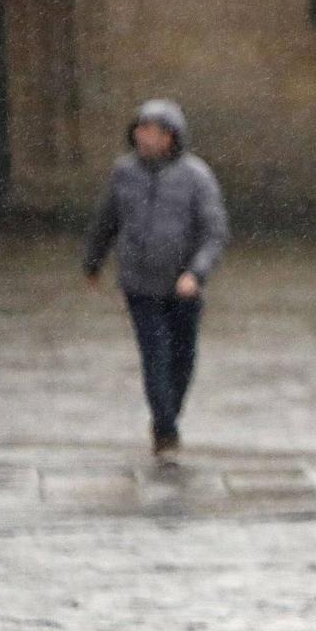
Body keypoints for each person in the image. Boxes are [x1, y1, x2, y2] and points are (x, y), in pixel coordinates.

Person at [81, 99, 230, 466]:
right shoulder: (123, 174)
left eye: (154, 131)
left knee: (182, 358)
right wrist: (93, 261)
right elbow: (107, 220)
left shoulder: (197, 177)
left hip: (183, 286)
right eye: (141, 129)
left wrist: (196, 273)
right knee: (154, 356)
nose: (145, 137)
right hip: (140, 284)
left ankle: (169, 413)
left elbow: (214, 232)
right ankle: (164, 428)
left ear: (172, 137)